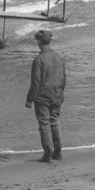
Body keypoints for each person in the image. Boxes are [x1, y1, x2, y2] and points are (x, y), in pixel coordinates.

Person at [24, 30, 66, 163]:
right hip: (57, 94)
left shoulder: (39, 60)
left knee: (44, 123)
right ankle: (58, 152)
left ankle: (48, 153)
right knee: (55, 121)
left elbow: (36, 83)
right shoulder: (59, 57)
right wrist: (60, 93)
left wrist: (30, 99)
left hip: (43, 96)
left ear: (39, 42)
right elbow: (64, 78)